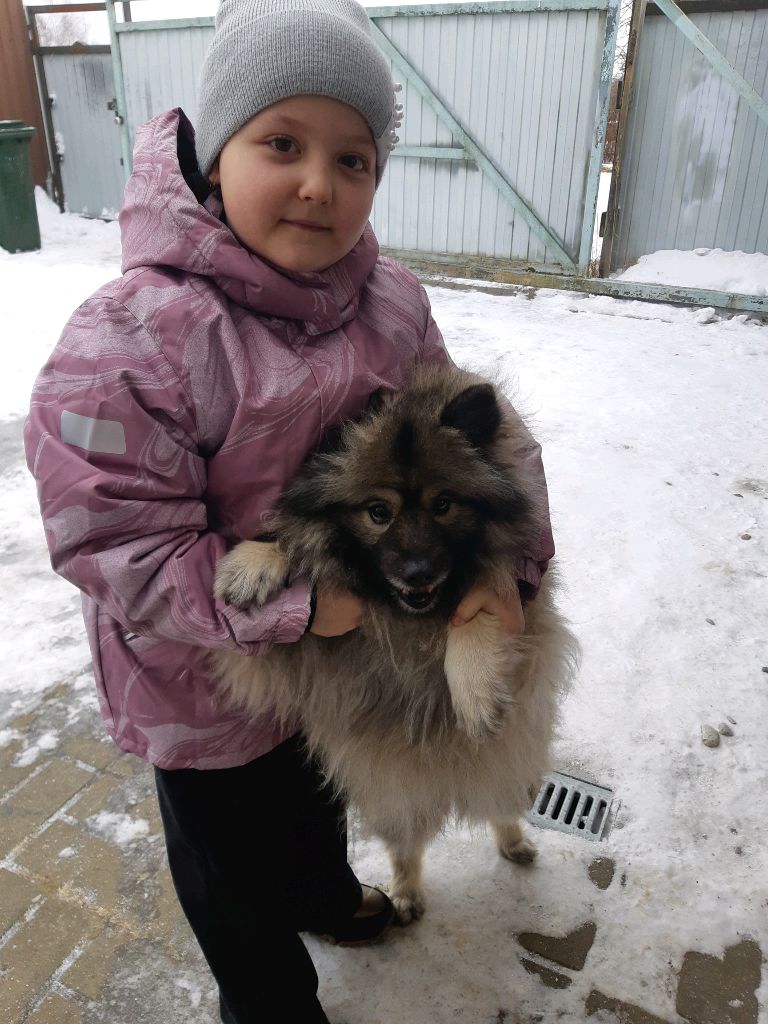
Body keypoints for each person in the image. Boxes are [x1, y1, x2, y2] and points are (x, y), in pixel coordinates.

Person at [24, 1, 555, 1020]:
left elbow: (489, 441)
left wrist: (511, 570)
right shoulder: (131, 338)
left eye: (353, 159)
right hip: (196, 689)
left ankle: (324, 892)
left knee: (316, 803)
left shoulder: (390, 303)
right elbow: (117, 542)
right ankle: (270, 1001)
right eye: (281, 144)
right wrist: (300, 611)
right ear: (214, 154)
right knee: (229, 868)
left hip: (338, 679)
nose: (319, 182)